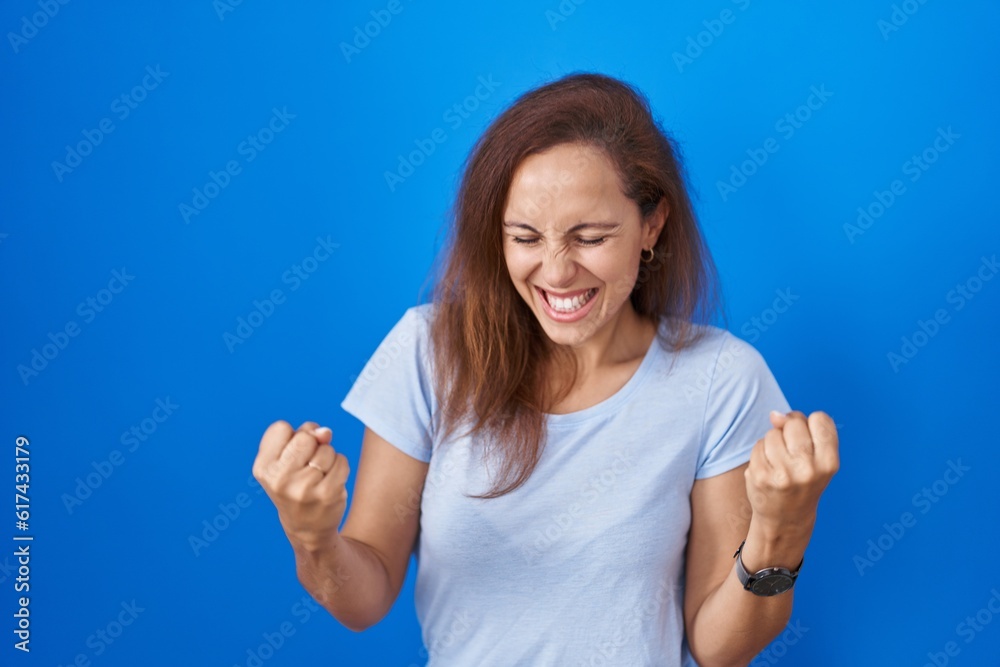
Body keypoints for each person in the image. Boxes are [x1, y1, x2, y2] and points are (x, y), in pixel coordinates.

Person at [251, 72, 839, 666]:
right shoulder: (427, 352)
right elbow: (365, 598)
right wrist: (312, 537)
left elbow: (720, 650)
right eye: (526, 237)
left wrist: (781, 531)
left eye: (590, 237)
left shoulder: (720, 379)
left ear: (651, 225)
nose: (556, 273)